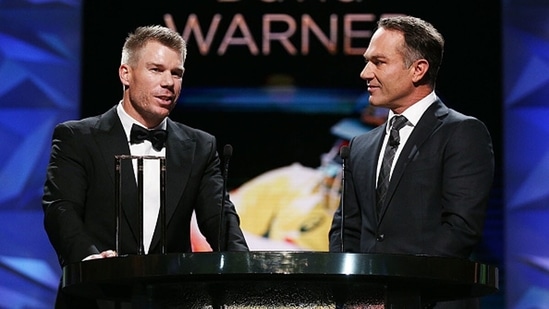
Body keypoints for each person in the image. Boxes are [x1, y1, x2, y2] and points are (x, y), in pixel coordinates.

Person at [42, 25, 249, 308]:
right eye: (156, 70)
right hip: (95, 296)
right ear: (125, 74)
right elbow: (61, 208)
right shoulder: (77, 137)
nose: (169, 83)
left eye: (176, 73)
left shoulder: (199, 146)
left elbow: (218, 217)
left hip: (172, 300)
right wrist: (89, 260)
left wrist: (244, 269)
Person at [328, 16, 494, 309]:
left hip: (432, 299)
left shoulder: (462, 133)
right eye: (367, 61)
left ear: (418, 69)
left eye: (379, 62)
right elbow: (346, 231)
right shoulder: (360, 147)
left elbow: (459, 228)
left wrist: (397, 290)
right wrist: (355, 292)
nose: (365, 73)